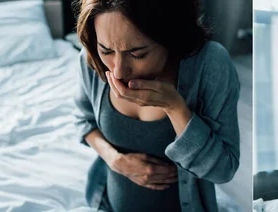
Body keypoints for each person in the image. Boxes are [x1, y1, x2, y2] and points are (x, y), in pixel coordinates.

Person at [72, 0, 241, 211]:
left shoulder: (210, 64)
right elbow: (83, 120)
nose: (118, 72)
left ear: (171, 38)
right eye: (107, 51)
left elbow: (222, 171)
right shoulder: (91, 59)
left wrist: (175, 108)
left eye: (137, 54)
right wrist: (115, 160)